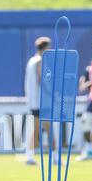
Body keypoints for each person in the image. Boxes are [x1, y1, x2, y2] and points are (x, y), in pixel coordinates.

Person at [24, 36, 59, 165]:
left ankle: (29, 156)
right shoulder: (40, 61)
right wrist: (52, 94)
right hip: (41, 102)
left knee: (35, 130)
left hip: (34, 102)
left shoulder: (31, 61)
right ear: (45, 48)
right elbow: (42, 81)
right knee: (50, 130)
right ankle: (55, 157)